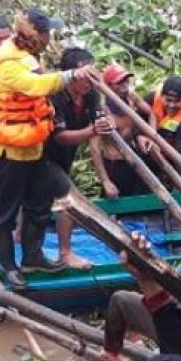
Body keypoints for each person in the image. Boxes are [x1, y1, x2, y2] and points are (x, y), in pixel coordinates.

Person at [0, 7, 96, 290]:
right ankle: (8, 266)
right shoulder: (9, 63)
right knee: (5, 213)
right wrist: (71, 74)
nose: (50, 39)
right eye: (47, 34)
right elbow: (37, 85)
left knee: (39, 204)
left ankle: (33, 256)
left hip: (33, 147)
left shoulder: (30, 54)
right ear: (37, 36)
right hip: (8, 150)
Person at [45, 47, 114, 269]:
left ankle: (20, 236)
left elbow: (99, 121)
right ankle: (65, 253)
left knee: (35, 200)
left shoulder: (91, 93)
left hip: (65, 157)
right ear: (71, 74)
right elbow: (61, 137)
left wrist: (106, 124)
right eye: (86, 75)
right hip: (41, 155)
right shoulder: (53, 95)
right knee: (68, 198)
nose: (90, 81)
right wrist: (93, 130)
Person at [98, 64, 155, 198]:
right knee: (116, 200)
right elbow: (94, 149)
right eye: (120, 82)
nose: (125, 85)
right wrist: (105, 181)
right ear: (109, 86)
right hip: (114, 164)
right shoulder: (101, 110)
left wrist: (151, 136)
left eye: (126, 81)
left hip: (133, 158)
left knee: (143, 197)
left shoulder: (131, 97)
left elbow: (151, 113)